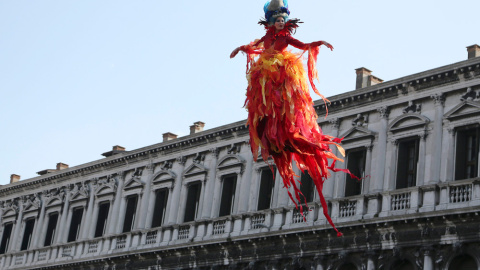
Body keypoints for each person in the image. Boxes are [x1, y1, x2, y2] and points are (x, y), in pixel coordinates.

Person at [230, 0, 358, 236]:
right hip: (265, 74)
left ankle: (287, 127)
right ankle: (272, 128)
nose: (280, 23)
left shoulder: (286, 39)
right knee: (266, 101)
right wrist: (241, 49)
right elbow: (256, 46)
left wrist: (319, 43)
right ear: (271, 22)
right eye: (277, 20)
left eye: (282, 20)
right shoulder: (268, 38)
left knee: (286, 99)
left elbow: (303, 44)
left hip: (282, 70)